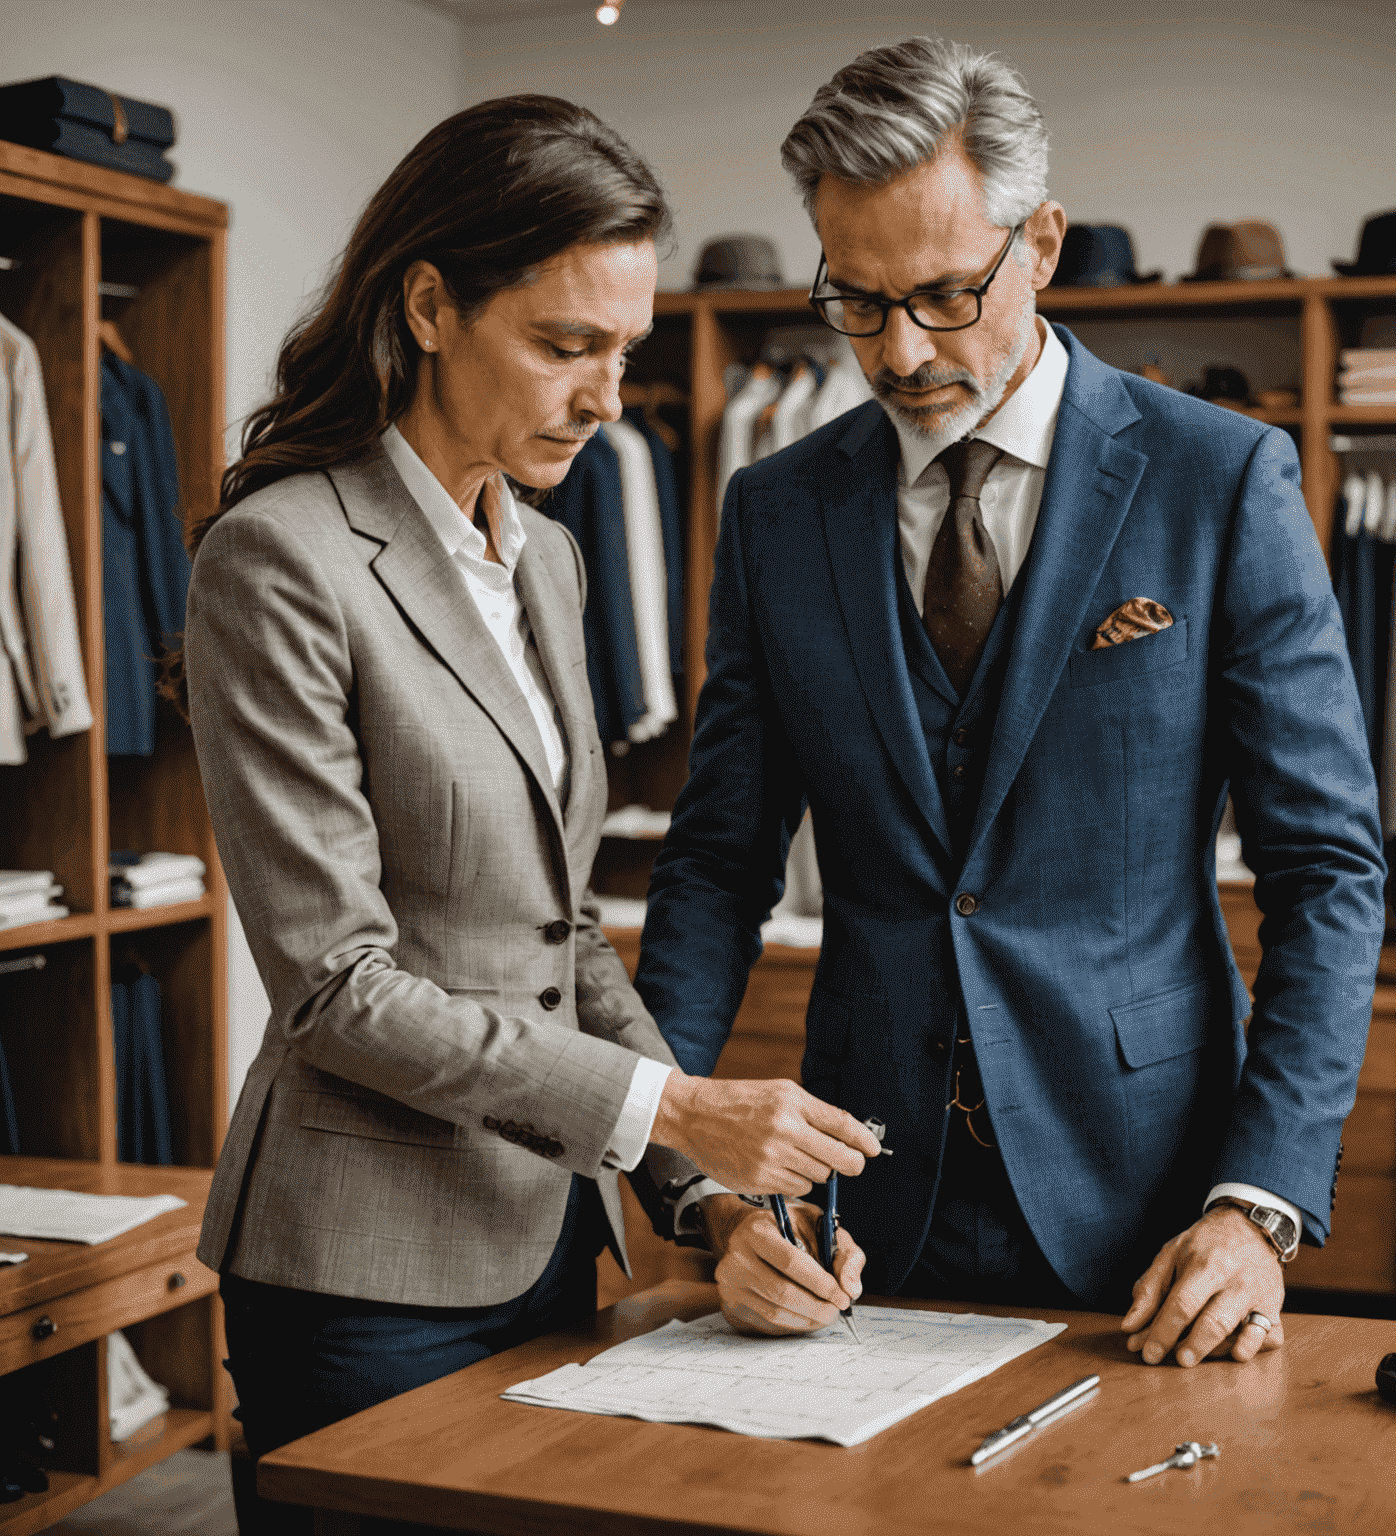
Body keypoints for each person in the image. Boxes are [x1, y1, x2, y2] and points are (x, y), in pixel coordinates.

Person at [181, 96, 877, 1529]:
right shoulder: (279, 562)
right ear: (429, 304)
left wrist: (710, 1203)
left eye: (622, 352)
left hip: (551, 1243)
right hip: (356, 1275)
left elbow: (568, 941)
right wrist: (677, 1105)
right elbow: (335, 988)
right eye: (564, 346)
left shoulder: (546, 558)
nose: (605, 397)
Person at [636, 39, 1386, 1366]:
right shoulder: (773, 512)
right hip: (859, 1203)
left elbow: (1325, 868)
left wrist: (1257, 1204)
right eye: (855, 303)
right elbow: (715, 864)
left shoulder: (1220, 481)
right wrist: (697, 1176)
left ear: (1040, 242)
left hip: (1156, 1202)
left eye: (942, 293)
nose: (900, 349)